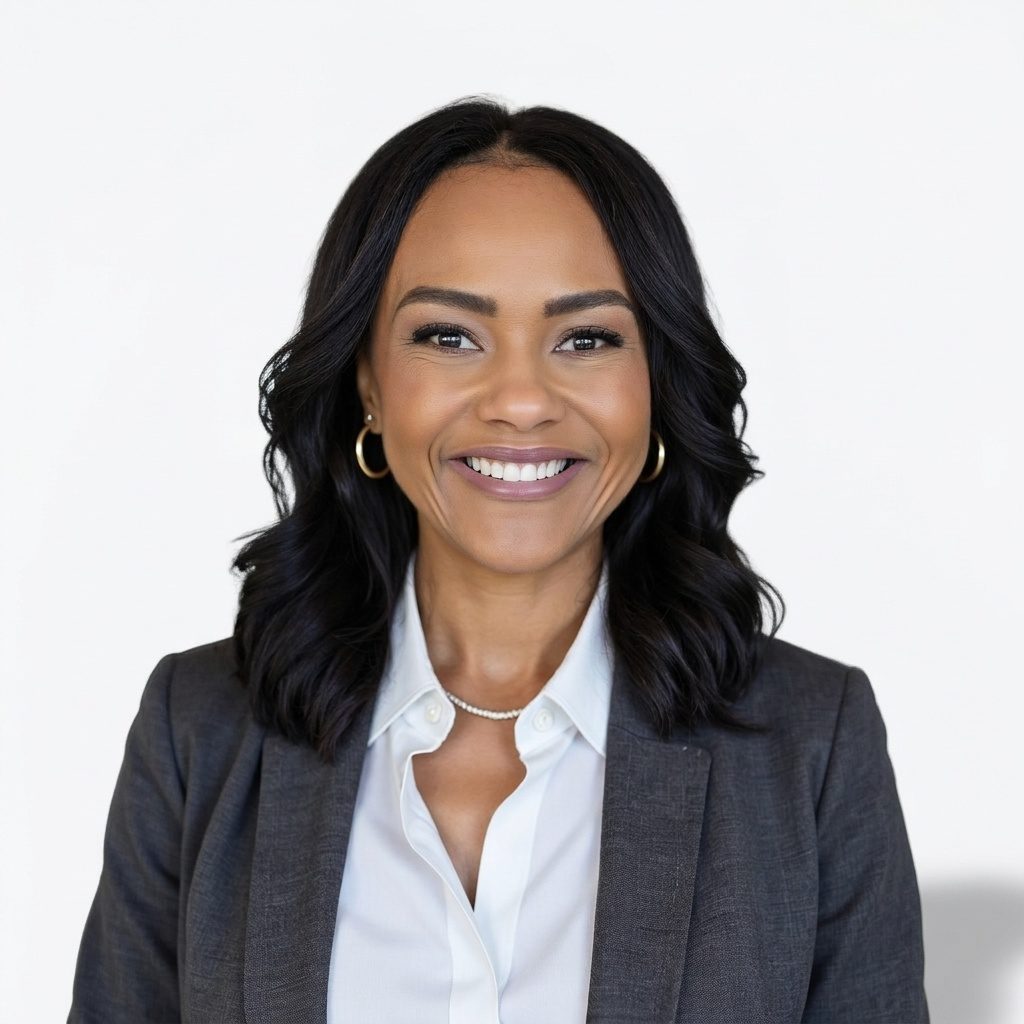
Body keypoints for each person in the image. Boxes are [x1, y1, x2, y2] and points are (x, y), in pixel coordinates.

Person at [67, 96, 929, 1023]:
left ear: (656, 383)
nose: (521, 400)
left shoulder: (811, 746)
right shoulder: (200, 732)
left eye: (586, 338)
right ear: (368, 381)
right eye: (449, 336)